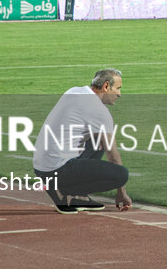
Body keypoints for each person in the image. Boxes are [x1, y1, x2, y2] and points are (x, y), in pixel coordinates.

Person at [32, 69, 132, 214]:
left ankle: (79, 198)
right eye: (117, 88)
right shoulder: (100, 112)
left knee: (97, 139)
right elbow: (113, 156)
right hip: (57, 169)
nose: (119, 94)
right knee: (121, 174)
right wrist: (121, 193)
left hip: (40, 166)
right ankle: (65, 190)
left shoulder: (74, 91)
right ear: (105, 86)